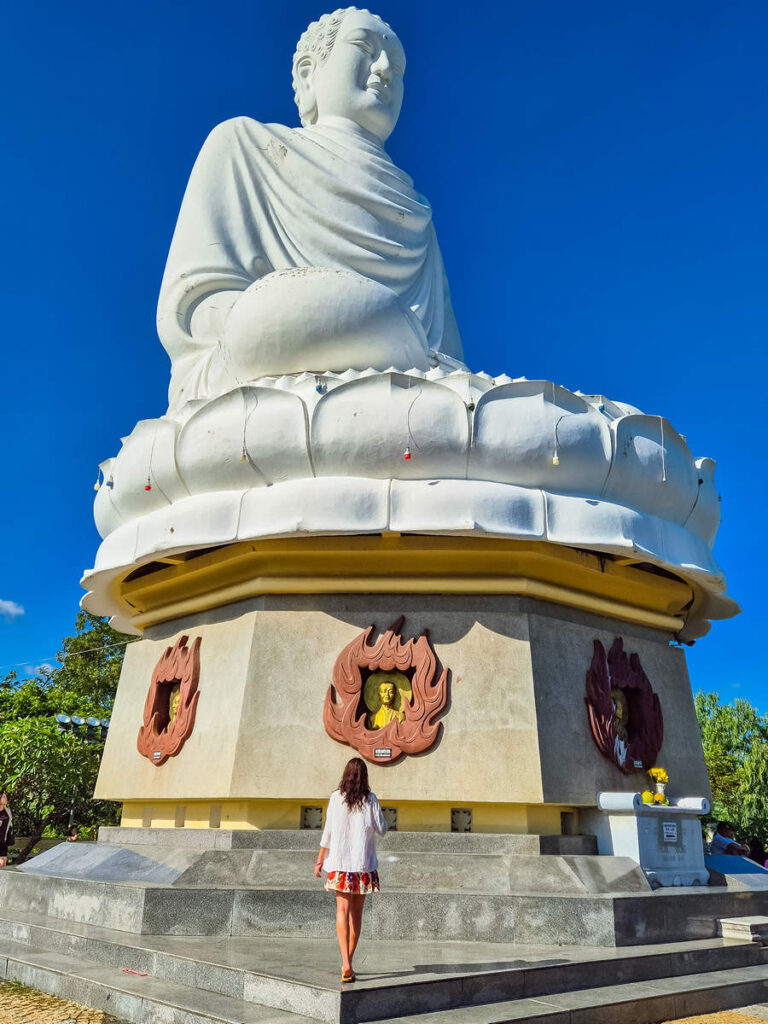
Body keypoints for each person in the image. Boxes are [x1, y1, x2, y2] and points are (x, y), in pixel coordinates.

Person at [157, 7, 464, 411]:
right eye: (365, 48)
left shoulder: (417, 208)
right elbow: (195, 307)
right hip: (271, 357)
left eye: (398, 66)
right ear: (308, 74)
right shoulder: (244, 144)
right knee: (275, 311)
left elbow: (448, 358)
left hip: (411, 386)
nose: (385, 69)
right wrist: (315, 313)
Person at [314, 757, 387, 982]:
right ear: (365, 777)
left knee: (341, 911)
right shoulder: (370, 799)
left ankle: (346, 962)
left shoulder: (336, 798)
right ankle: (348, 964)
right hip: (362, 866)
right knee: (356, 915)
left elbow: (327, 832)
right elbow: (382, 828)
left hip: (340, 865)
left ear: (346, 774)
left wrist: (319, 860)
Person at [0, 790, 13, 867]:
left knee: (3, 863)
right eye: (4, 797)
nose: (6, 798)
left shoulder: (7, 811)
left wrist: (11, 831)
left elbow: (10, 822)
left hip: (3, 841)